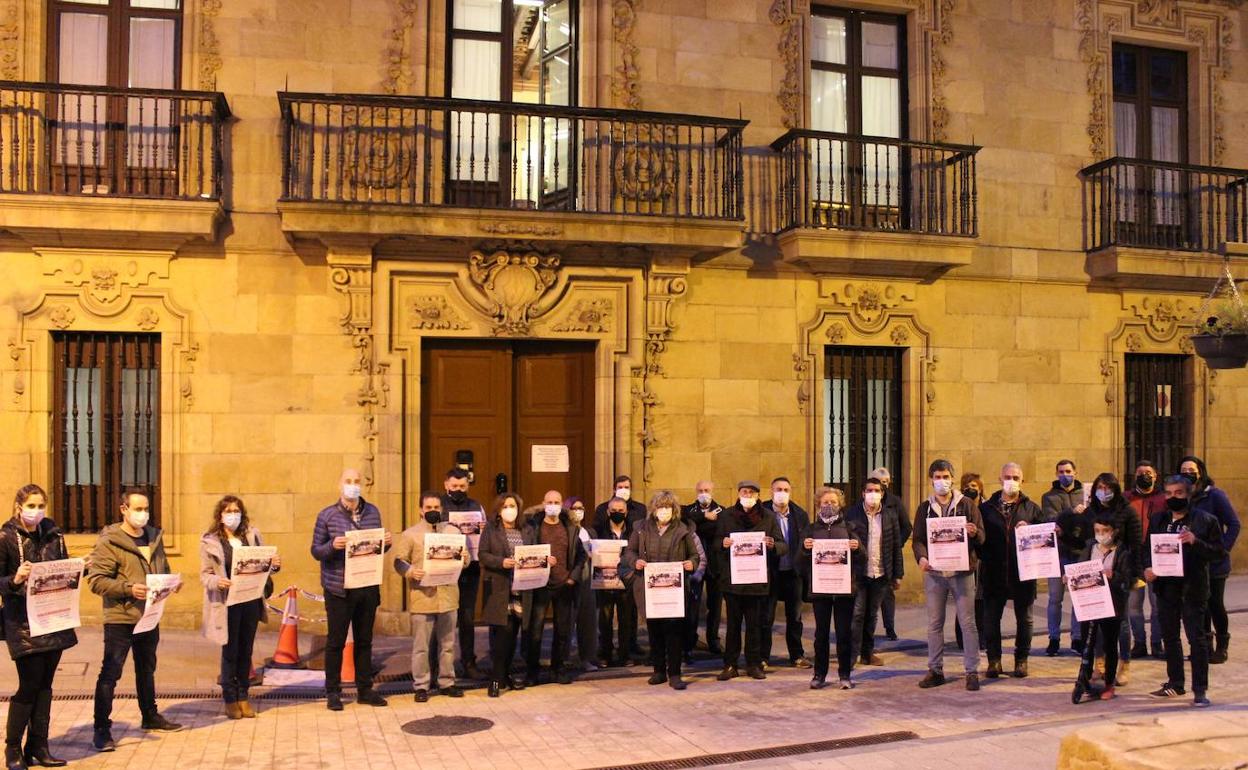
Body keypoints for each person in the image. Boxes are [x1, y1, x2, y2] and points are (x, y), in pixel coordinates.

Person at [88, 488, 183, 751]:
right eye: (138, 509)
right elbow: (96, 581)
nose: (143, 514)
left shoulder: (154, 537)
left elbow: (162, 568)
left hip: (150, 615)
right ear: (124, 509)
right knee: (111, 672)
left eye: (146, 509)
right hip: (121, 617)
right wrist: (129, 589)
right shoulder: (110, 541)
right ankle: (101, 728)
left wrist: (172, 582)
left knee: (147, 667)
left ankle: (149, 715)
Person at [0, 484, 76, 768]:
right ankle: (12, 749)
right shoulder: (5, 536)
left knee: (45, 685)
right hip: (23, 622)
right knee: (29, 684)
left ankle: (39, 746)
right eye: (31, 505)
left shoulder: (53, 534)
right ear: (19, 506)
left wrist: (80, 568)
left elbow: (63, 567)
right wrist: (15, 578)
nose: (37, 510)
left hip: (53, 618)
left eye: (41, 505)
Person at [310, 468, 393, 711]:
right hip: (339, 588)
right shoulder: (327, 515)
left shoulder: (373, 512)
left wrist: (386, 544)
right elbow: (316, 551)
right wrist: (332, 546)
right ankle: (333, 692)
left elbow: (377, 550)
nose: (353, 485)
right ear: (340, 485)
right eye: (348, 481)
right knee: (335, 642)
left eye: (357, 481)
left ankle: (365, 689)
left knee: (365, 641)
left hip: (367, 586)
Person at [1144, 475, 1225, 707]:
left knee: (1196, 638)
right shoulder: (1159, 519)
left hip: (1193, 588)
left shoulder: (1205, 520)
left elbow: (1219, 553)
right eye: (1168, 493)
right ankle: (1175, 683)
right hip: (1165, 588)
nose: (1173, 497)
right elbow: (1147, 548)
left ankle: (1200, 689)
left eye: (1178, 493)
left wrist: (1195, 541)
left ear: (1189, 494)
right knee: (1169, 636)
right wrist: (1148, 568)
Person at [200, 495, 281, 719]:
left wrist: (274, 565)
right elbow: (205, 575)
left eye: (236, 511)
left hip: (251, 601)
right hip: (228, 603)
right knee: (230, 651)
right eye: (228, 511)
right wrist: (219, 581)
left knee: (246, 650)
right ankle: (230, 697)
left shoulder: (251, 535)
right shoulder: (211, 541)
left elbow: (264, 565)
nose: (233, 515)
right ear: (220, 515)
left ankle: (244, 696)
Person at [913, 460, 985, 691]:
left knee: (968, 623)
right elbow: (917, 539)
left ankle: (971, 671)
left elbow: (982, 537)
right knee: (934, 623)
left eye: (945, 476)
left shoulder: (967, 505)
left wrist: (974, 533)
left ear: (952, 478)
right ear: (931, 479)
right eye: (936, 476)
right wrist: (922, 558)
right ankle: (935, 670)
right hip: (935, 573)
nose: (941, 481)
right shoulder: (924, 507)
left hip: (962, 571)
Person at [393, 491, 470, 702]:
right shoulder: (411, 534)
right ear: (421, 510)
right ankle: (421, 685)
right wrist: (410, 572)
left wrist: (465, 558)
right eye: (428, 508)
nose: (433, 511)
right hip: (422, 597)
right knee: (421, 646)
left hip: (448, 597)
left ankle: (446, 682)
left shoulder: (453, 531)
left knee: (448, 644)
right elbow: (399, 561)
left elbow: (467, 559)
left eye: (436, 508)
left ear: (441, 509)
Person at [622, 491, 701, 690]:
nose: (663, 511)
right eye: (660, 507)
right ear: (653, 509)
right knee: (654, 629)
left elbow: (694, 555)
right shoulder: (640, 528)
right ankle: (658, 670)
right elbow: (629, 552)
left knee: (674, 631)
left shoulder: (682, 530)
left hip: (673, 589)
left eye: (667, 507)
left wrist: (691, 564)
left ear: (673, 510)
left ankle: (674, 673)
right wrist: (635, 561)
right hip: (650, 587)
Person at [716, 481, 786, 681]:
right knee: (733, 626)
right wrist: (723, 543)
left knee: (755, 625)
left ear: (757, 495)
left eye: (752, 492)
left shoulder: (769, 517)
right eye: (744, 492)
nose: (748, 495)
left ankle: (753, 664)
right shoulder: (726, 516)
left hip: (757, 580)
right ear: (738, 493)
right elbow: (715, 543)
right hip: (733, 581)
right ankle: (730, 664)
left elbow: (783, 545)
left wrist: (773, 545)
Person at [979, 463, 1043, 679]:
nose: (1011, 481)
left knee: (1025, 619)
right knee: (991, 619)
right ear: (999, 479)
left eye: (1015, 477)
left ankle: (1021, 660)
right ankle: (994, 661)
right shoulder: (986, 509)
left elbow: (1044, 540)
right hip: (994, 572)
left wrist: (1031, 530)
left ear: (1022, 481)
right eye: (1007, 476)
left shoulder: (1032, 509)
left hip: (1022, 573)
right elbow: (979, 541)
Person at [1180, 456, 1241, 665]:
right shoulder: (1182, 497)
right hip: (1193, 562)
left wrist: (1223, 548)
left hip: (1215, 563)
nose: (1187, 473)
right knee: (1200, 605)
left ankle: (1222, 645)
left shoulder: (1215, 495)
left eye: (1191, 470)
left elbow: (1234, 524)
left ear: (1200, 472)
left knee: (1215, 604)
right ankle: (1203, 646)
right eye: (1183, 470)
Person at [803, 487, 865, 690]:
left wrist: (856, 549)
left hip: (844, 590)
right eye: (825, 503)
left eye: (833, 503)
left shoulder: (849, 527)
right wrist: (805, 549)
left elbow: (862, 558)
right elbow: (798, 563)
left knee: (843, 633)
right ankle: (819, 674)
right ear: (818, 505)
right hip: (820, 591)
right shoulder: (811, 530)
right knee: (820, 634)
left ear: (840, 505)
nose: (829, 506)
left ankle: (844, 675)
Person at [1074, 512, 1140, 701]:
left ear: (1114, 531)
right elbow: (1080, 568)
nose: (1101, 534)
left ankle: (1109, 683)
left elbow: (1128, 579)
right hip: (1090, 603)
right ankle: (1085, 679)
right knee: (1089, 643)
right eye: (1097, 530)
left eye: (1105, 531)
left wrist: (1115, 576)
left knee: (1110, 644)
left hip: (1112, 604)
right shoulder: (1090, 548)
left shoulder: (1122, 552)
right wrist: (1069, 577)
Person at [522, 490, 586, 686]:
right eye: (549, 501)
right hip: (539, 585)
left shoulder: (570, 527)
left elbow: (581, 556)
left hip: (563, 585)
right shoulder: (533, 526)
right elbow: (525, 552)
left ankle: (558, 668)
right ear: (543, 503)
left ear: (562, 505)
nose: (553, 505)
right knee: (535, 631)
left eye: (556, 502)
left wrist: (572, 578)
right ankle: (532, 671)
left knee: (563, 630)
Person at [1087, 472, 1142, 685]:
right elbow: (1083, 538)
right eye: (1100, 487)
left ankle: (1124, 665)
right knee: (1098, 622)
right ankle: (1099, 664)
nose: (1104, 491)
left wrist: (1134, 575)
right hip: (1095, 570)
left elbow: (1136, 543)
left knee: (1122, 623)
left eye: (1108, 487)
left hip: (1120, 570)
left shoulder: (1127, 511)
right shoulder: (1091, 510)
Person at [847, 478, 904, 669]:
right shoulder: (852, 514)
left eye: (877, 490)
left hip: (881, 573)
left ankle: (867, 653)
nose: (873, 494)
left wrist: (897, 574)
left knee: (872, 615)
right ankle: (852, 654)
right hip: (859, 573)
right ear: (863, 493)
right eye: (869, 490)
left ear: (882, 493)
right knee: (857, 615)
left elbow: (896, 545)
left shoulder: (889, 515)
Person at [478, 493, 529, 697]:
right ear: (499, 509)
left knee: (513, 635)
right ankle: (495, 679)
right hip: (500, 589)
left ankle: (506, 675)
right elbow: (482, 555)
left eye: (513, 505)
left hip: (521, 588)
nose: (510, 509)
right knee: (502, 636)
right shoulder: (491, 529)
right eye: (506, 505)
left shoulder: (525, 529)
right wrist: (501, 562)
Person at [439, 467, 487, 680]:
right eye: (454, 486)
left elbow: (485, 537)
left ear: (468, 486)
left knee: (467, 618)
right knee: (444, 619)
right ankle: (440, 667)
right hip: (446, 570)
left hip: (471, 569)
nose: (458, 489)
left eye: (462, 486)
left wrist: (484, 529)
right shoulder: (439, 506)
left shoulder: (476, 506)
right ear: (446, 485)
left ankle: (468, 662)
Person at [762, 477, 810, 669]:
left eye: (786, 489)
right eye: (778, 489)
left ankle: (797, 655)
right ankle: (763, 657)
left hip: (793, 572)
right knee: (766, 617)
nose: (782, 492)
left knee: (795, 617)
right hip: (769, 572)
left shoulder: (800, 514)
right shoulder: (762, 512)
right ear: (771, 491)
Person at [1041, 459, 1085, 656]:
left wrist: (1066, 519)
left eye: (1068, 471)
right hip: (1057, 552)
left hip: (1079, 551)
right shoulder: (1049, 496)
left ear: (1075, 472)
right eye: (1061, 471)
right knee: (1054, 599)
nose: (1064, 474)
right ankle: (1054, 638)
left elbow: (1089, 519)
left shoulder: (1085, 494)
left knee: (1078, 598)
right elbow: (1051, 519)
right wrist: (1071, 513)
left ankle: (1077, 637)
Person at [1125, 460, 1166, 659]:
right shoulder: (1126, 498)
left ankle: (1157, 643)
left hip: (1156, 556)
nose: (1144, 476)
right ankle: (1139, 642)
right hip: (1133, 557)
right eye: (1140, 472)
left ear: (1155, 476)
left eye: (1148, 472)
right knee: (1134, 603)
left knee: (1157, 603)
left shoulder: (1164, 499)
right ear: (1135, 476)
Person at [593, 496, 638, 667]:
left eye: (621, 511)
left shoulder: (633, 532)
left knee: (626, 620)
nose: (617, 513)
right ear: (607, 512)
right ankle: (605, 654)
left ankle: (624, 655)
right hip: (604, 581)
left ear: (626, 512)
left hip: (626, 581)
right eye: (613, 511)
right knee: (605, 620)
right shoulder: (599, 530)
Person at [682, 480, 724, 656]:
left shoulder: (722, 511)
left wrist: (700, 524)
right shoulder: (688, 510)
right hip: (696, 564)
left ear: (712, 491)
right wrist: (705, 517)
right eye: (700, 490)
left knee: (715, 605)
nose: (703, 493)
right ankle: (690, 641)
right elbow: (687, 523)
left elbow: (719, 529)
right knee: (692, 605)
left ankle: (713, 640)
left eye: (706, 490)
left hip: (715, 564)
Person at [870, 467, 910, 641]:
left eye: (886, 482)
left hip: (887, 556)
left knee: (887, 594)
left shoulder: (895, 502)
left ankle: (890, 627)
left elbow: (906, 527)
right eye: (879, 482)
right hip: (870, 556)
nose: (883, 485)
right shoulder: (864, 500)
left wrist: (896, 544)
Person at [954, 473, 987, 651]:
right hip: (964, 558)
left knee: (980, 599)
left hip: (982, 559)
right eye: (967, 486)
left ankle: (981, 636)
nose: (971, 489)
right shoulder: (958, 506)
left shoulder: (987, 507)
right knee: (964, 600)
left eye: (974, 486)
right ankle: (961, 638)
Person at [565, 497, 598, 671]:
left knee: (588, 619)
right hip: (571, 576)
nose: (578, 511)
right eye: (574, 508)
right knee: (568, 618)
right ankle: (564, 658)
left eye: (581, 507)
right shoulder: (565, 530)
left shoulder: (589, 531)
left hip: (588, 578)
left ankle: (587, 658)